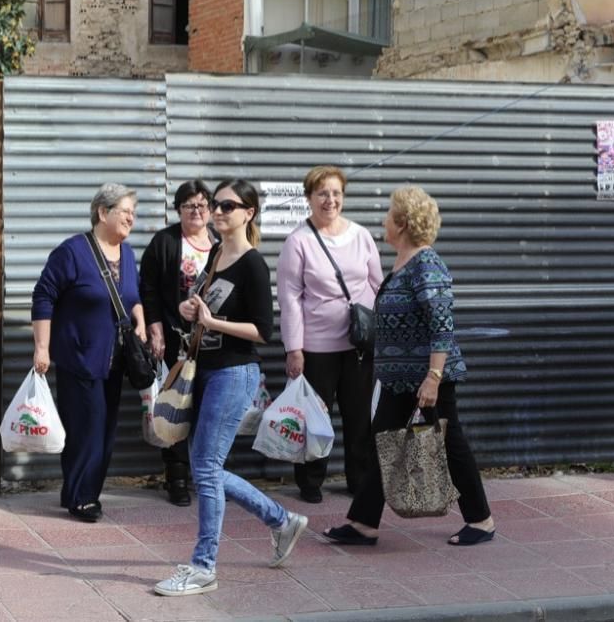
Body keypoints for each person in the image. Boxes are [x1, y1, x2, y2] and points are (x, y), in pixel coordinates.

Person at [154, 179, 307, 597]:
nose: (217, 211)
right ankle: (281, 520)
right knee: (207, 467)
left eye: (226, 205)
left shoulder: (253, 264)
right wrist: (190, 309)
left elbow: (262, 331)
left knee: (204, 468)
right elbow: (201, 307)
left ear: (248, 213)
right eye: (214, 205)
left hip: (234, 373)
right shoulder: (218, 253)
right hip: (205, 369)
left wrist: (212, 322)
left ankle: (204, 567)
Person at [323, 186, 496, 548]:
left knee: (450, 443)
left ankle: (481, 520)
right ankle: (363, 524)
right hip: (398, 379)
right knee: (383, 442)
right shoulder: (404, 262)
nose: (383, 220)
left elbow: (442, 325)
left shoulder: (426, 263)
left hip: (427, 380)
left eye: (388, 214)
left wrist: (433, 378)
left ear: (401, 223)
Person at [31, 184, 146, 523]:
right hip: (79, 357)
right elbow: (43, 297)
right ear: (102, 213)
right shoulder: (72, 252)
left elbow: (131, 296)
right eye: (125, 211)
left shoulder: (127, 254)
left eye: (133, 213)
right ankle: (83, 498)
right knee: (88, 427)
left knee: (105, 429)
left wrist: (140, 319)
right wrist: (42, 347)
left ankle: (78, 491)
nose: (131, 218)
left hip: (115, 360)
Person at [277, 166, 383, 503]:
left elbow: (377, 284)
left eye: (336, 193)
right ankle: (310, 482)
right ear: (309, 198)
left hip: (360, 344)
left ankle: (359, 479)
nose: (330, 200)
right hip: (317, 347)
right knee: (314, 416)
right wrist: (295, 348)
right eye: (322, 193)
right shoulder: (299, 242)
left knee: (358, 415)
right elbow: (290, 298)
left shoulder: (361, 235)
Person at [140, 180, 217, 507]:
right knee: (175, 406)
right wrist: (155, 328)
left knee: (207, 407)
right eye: (189, 205)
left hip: (214, 341)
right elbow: (149, 288)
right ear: (178, 210)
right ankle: (177, 477)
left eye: (202, 205)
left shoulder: (220, 243)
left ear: (211, 210)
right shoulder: (166, 241)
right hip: (176, 340)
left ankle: (206, 474)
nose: (196, 211)